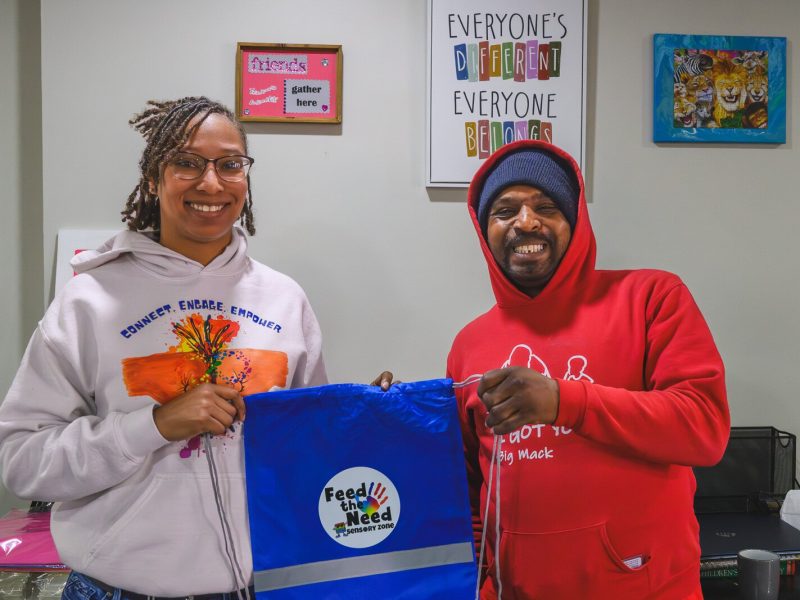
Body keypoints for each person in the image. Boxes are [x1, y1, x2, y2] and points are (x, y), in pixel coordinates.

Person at [0, 97, 327, 599]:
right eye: (187, 163)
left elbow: (310, 449)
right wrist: (152, 426)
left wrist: (364, 415)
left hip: (254, 588)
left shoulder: (284, 299)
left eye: (230, 164)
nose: (211, 183)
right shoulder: (90, 300)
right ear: (153, 178)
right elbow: (22, 461)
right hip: (116, 589)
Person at [447, 140, 729, 598]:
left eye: (546, 207)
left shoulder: (652, 298)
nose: (526, 221)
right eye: (505, 210)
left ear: (575, 222)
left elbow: (704, 427)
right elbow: (468, 487)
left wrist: (564, 402)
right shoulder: (468, 344)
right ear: (484, 230)